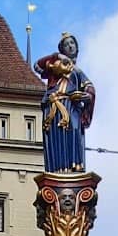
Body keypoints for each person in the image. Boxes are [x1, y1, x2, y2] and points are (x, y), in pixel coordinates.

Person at [34, 33, 95, 173]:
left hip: (71, 105)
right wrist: (57, 56)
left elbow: (90, 88)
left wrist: (86, 96)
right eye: (66, 44)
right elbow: (37, 65)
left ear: (77, 48)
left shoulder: (77, 71)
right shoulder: (55, 66)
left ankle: (75, 166)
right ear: (62, 50)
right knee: (55, 136)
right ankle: (57, 169)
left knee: (74, 130)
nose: (70, 46)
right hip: (53, 104)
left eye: (72, 43)